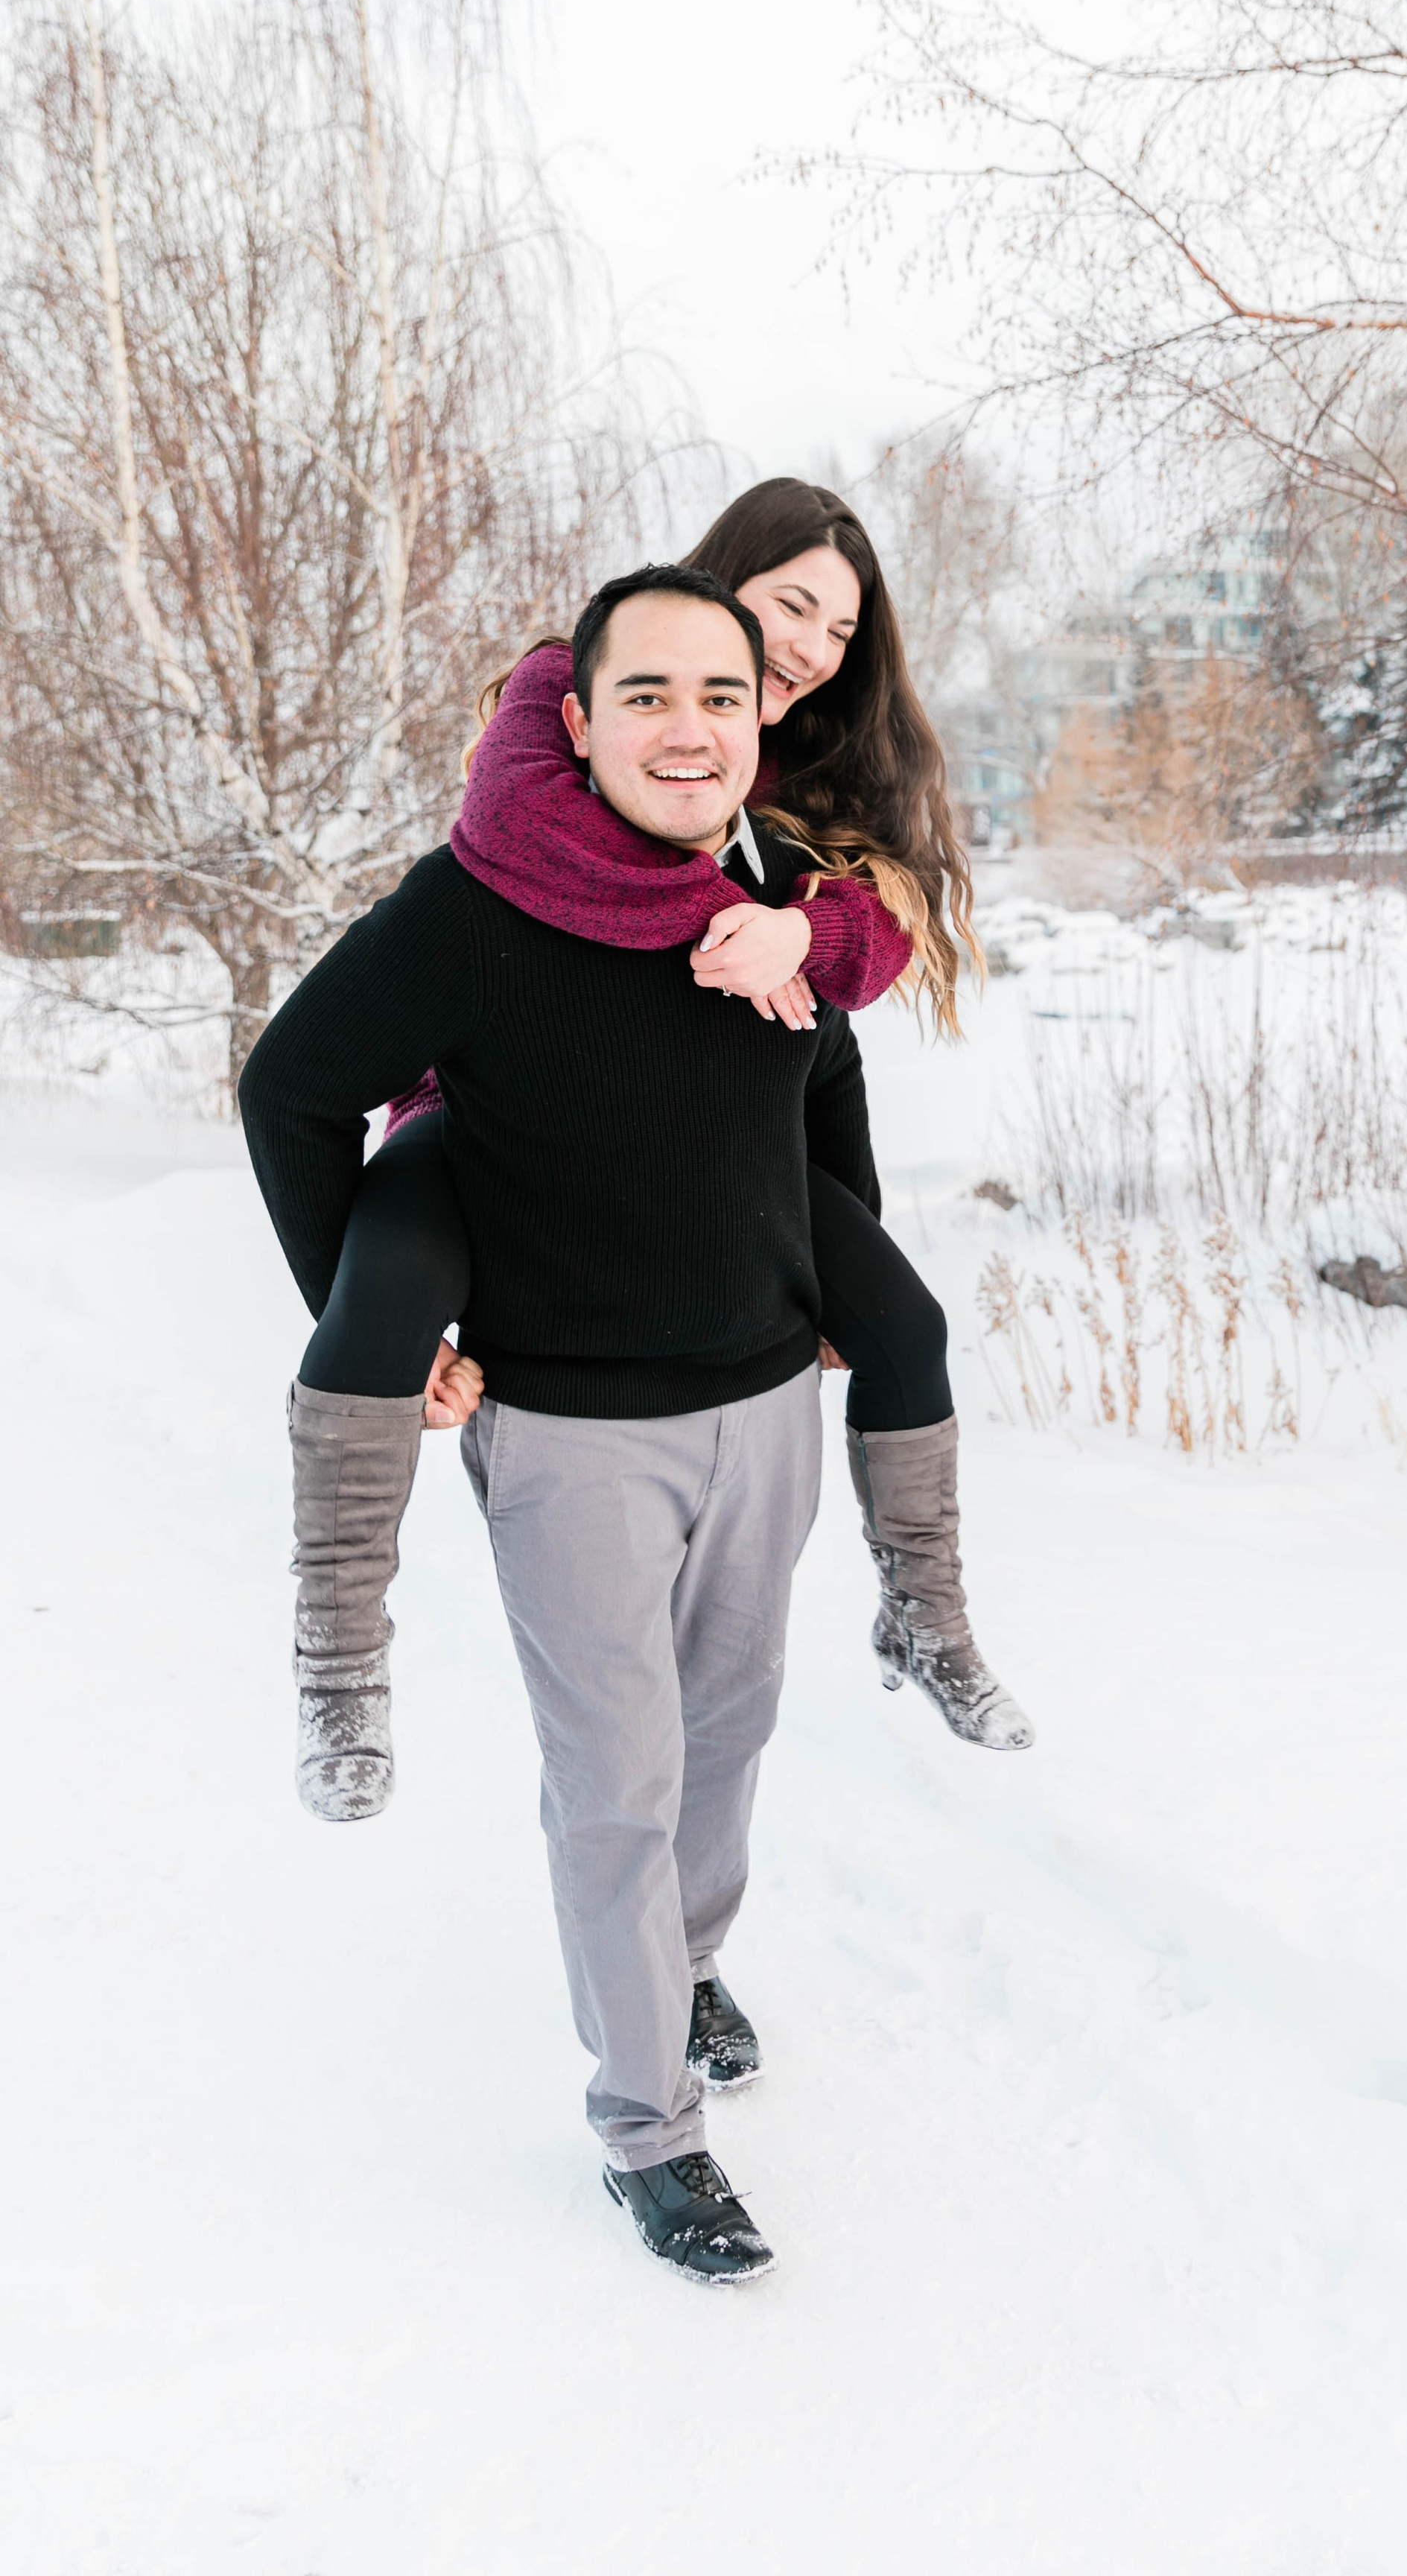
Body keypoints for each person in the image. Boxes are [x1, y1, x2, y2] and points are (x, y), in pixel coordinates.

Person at [241, 565, 880, 2283]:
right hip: (575, 1434)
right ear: (576, 722)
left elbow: (820, 1073)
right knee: (618, 1782)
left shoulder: (765, 888)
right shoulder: (478, 904)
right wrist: (368, 1318)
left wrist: (837, 1278)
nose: (691, 728)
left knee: (728, 1742)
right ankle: (647, 2129)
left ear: (764, 723)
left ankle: (681, 1963)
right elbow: (292, 1089)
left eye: (724, 697)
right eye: (650, 696)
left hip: (763, 1410)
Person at [287, 480, 1029, 1891]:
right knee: (378, 1295)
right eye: (793, 603)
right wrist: (748, 923)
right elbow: (529, 838)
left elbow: (847, 1005)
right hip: (499, 1102)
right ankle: (338, 1672)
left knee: (904, 1323)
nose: (812, 647)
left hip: (712, 1144)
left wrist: (809, 938)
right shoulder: (571, 694)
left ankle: (922, 1615)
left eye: (840, 628)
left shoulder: (781, 774)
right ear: (719, 578)